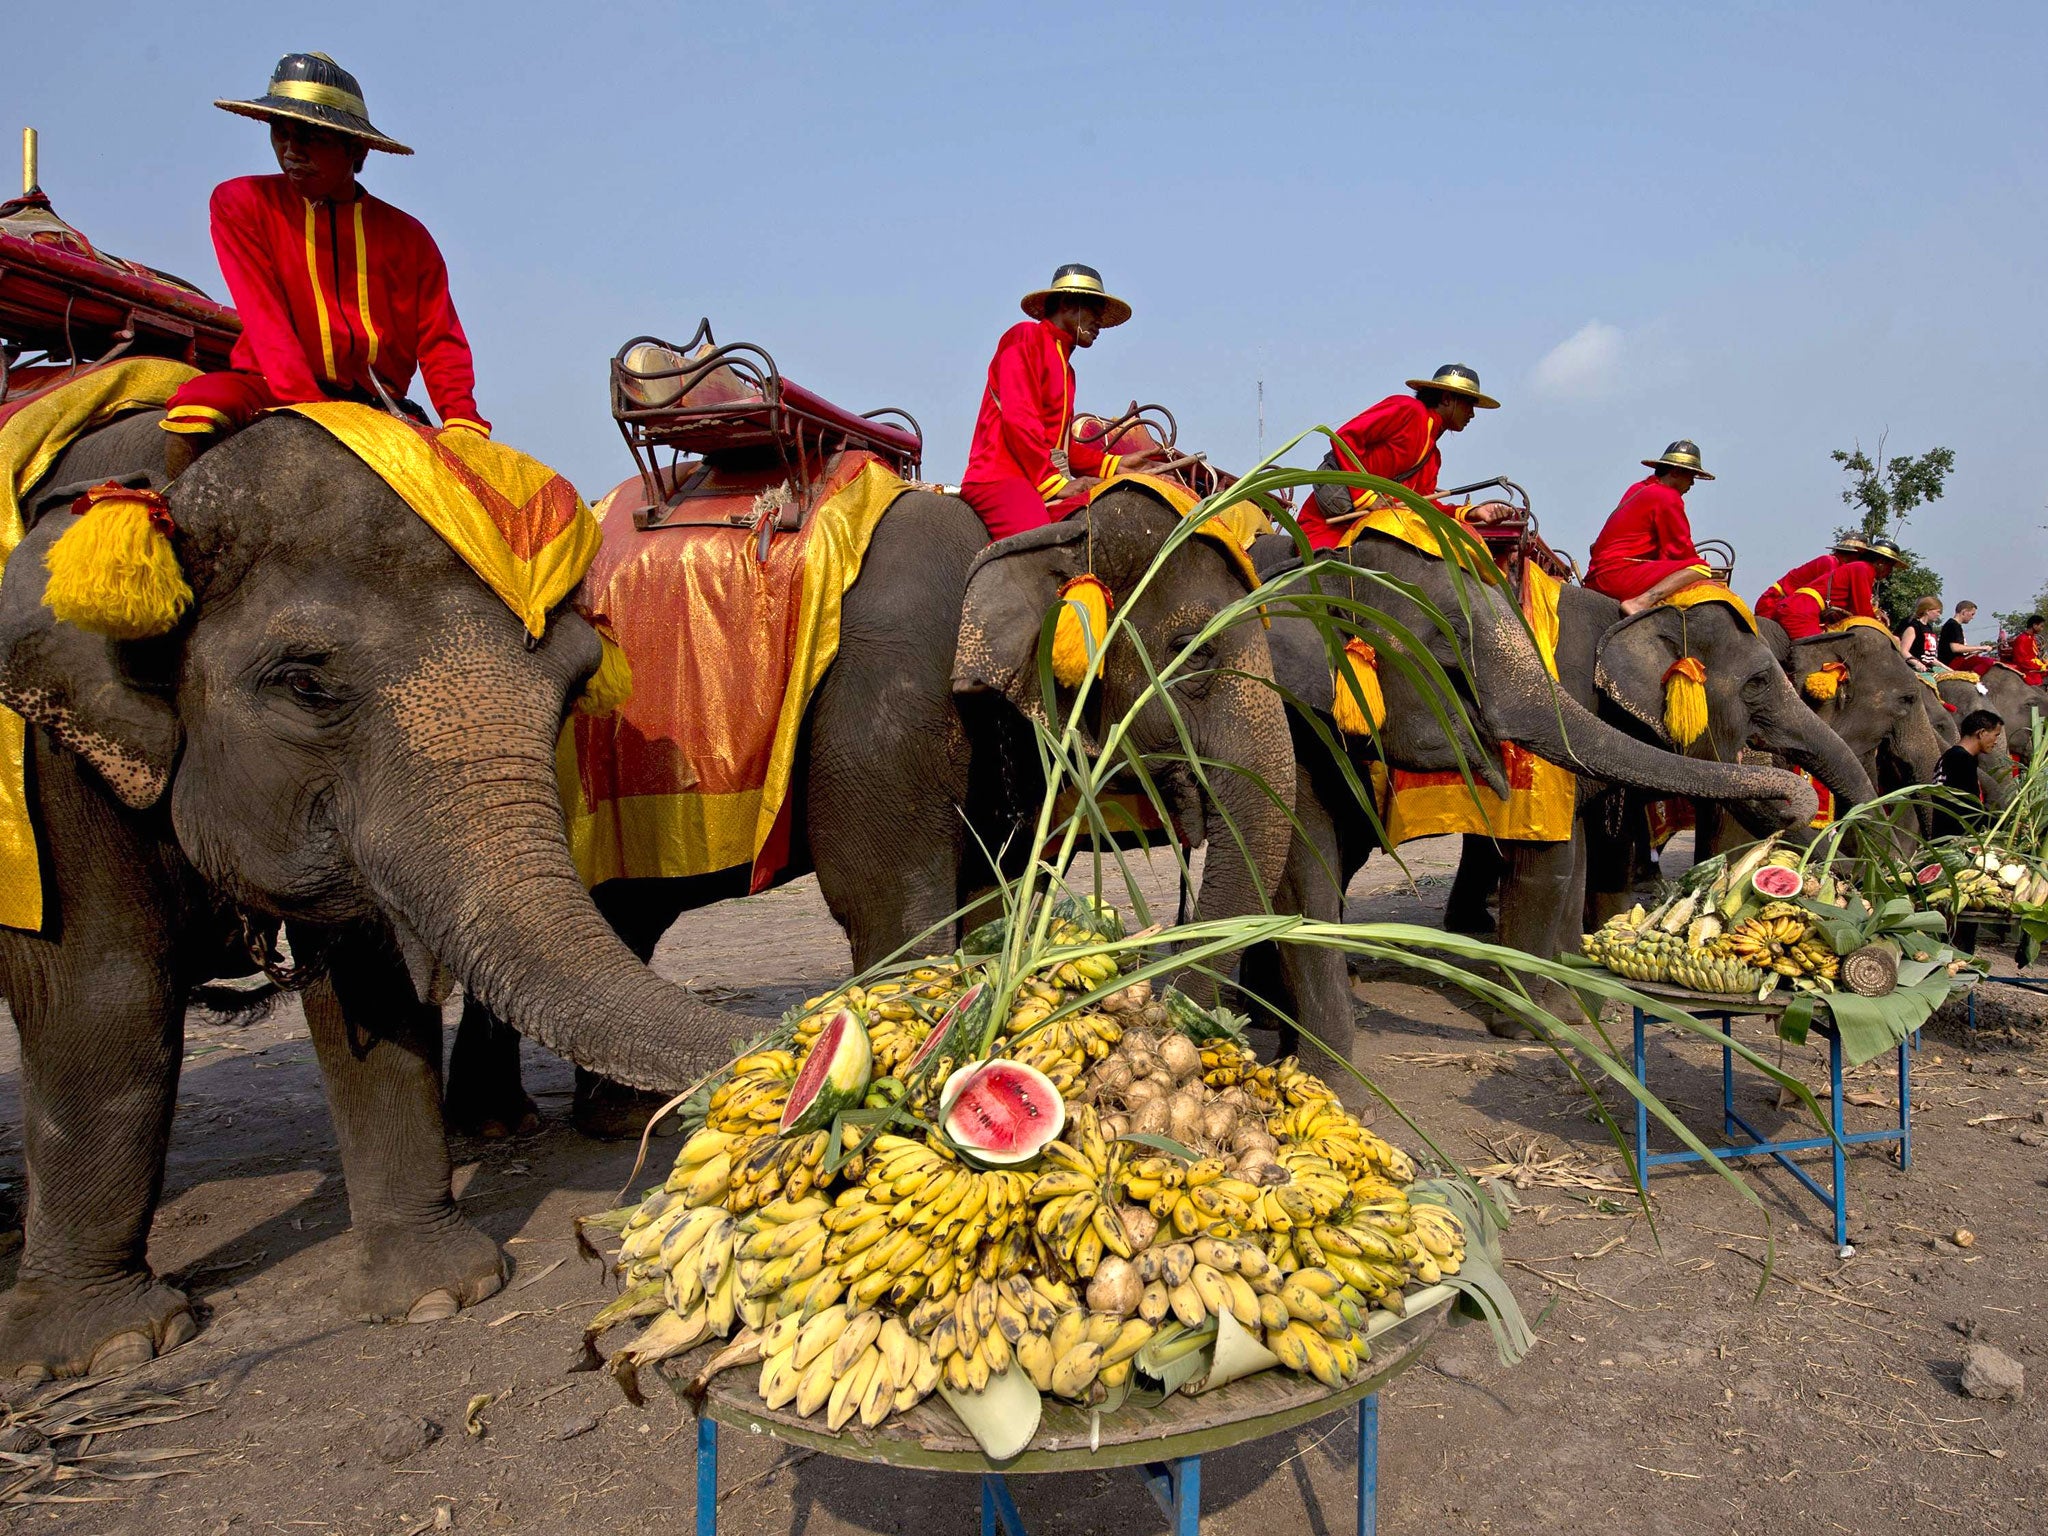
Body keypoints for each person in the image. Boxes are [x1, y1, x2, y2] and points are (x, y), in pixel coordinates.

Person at [160, 52, 487, 476]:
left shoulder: (410, 237)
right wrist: (311, 410)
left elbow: (440, 340)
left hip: (378, 404)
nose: (291, 151)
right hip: (267, 387)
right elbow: (264, 318)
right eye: (281, 134)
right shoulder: (241, 202)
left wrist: (462, 421)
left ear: (355, 148)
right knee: (197, 408)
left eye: (310, 136)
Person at [958, 264, 1154, 542]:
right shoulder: (1025, 337)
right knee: (1046, 547)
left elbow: (1057, 444)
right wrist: (1054, 484)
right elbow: (1019, 420)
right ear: (1066, 303)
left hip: (1034, 477)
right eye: (1094, 308)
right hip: (1000, 477)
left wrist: (1114, 465)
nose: (1099, 321)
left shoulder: (1067, 369)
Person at [1297, 365, 1515, 550]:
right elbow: (1344, 437)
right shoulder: (1408, 410)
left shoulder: (1433, 457)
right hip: (1328, 525)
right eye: (1469, 404)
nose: (1472, 414)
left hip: (1371, 530)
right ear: (1448, 399)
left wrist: (1474, 512)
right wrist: (1367, 497)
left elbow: (1422, 504)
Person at [1584, 440, 1715, 615]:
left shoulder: (1639, 488)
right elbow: (1680, 549)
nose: (1692, 483)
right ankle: (1641, 602)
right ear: (1676, 472)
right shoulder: (1668, 497)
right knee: (1700, 567)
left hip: (1598, 574)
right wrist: (1691, 564)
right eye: (1691, 476)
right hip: (1617, 576)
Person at [1753, 536, 1902, 639]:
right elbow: (1860, 610)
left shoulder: (1853, 569)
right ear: (1882, 562)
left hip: (1800, 606)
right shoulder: (1837, 564)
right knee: (1817, 652)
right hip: (1788, 605)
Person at [1932, 708, 2011, 838]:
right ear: (1982, 733)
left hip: (1943, 837)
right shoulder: (1961, 760)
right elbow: (1969, 810)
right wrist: (2004, 826)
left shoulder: (1949, 757)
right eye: (1996, 735)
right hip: (1955, 841)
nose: (1996, 741)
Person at [1938, 599, 1993, 672]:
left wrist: (1975, 651)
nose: (1972, 617)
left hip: (1956, 660)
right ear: (1964, 612)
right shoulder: (1952, 625)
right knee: (1988, 662)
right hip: (1952, 662)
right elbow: (1955, 648)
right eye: (1972, 614)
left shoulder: (1955, 625)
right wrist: (1981, 647)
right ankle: (1973, 679)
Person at [1896, 595, 1944, 671]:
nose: (1939, 615)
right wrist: (1918, 664)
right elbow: (1903, 651)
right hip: (1914, 669)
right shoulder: (1914, 626)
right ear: (1927, 611)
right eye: (1938, 612)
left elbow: (1930, 658)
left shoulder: (1929, 627)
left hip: (1929, 667)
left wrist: (1950, 670)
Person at [2011, 614, 2046, 686]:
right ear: (2034, 625)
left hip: (2033, 666)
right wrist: (2039, 666)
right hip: (2026, 669)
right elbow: (2022, 661)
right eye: (2041, 626)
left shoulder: (2031, 637)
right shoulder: (2022, 639)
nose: (2042, 629)